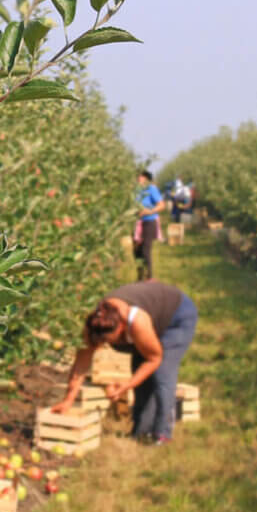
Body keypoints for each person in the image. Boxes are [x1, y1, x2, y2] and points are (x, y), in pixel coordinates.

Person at [51, 280, 198, 444]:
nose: (109, 345)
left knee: (162, 374)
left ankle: (162, 433)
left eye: (114, 339)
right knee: (139, 373)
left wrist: (126, 385)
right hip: (150, 319)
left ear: (121, 325)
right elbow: (80, 366)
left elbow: (154, 359)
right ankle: (141, 432)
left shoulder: (137, 322)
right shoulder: (95, 325)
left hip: (176, 317)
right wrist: (68, 400)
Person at [133, 169, 164, 280]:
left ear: (146, 178)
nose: (138, 178)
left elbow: (161, 205)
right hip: (137, 223)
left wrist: (149, 211)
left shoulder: (151, 189)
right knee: (137, 251)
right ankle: (140, 277)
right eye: (138, 176)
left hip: (150, 221)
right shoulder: (135, 190)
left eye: (140, 176)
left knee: (146, 249)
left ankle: (149, 277)